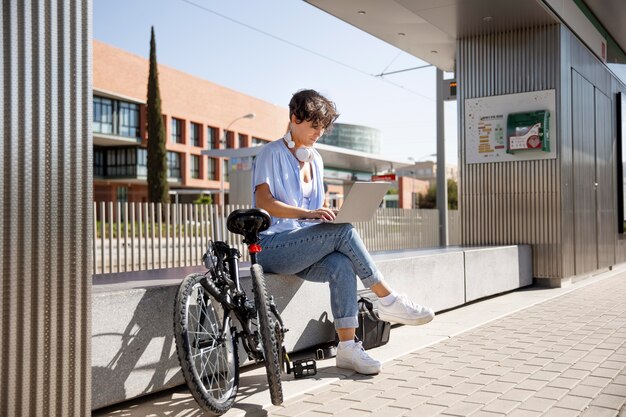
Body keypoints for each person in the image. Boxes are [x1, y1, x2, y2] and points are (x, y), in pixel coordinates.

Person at [252, 89, 434, 375]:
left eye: (323, 127)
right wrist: (309, 214)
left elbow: (315, 207)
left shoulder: (316, 160)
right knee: (343, 232)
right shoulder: (270, 153)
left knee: (342, 263)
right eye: (314, 125)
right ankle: (388, 300)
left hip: (302, 247)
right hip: (272, 247)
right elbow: (264, 202)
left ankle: (347, 348)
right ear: (294, 118)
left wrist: (326, 211)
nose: (319, 133)